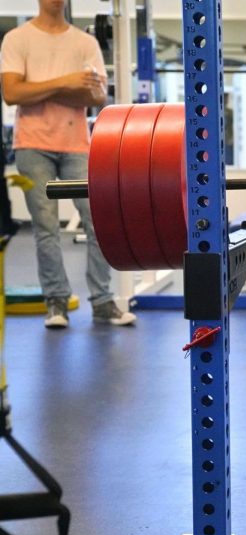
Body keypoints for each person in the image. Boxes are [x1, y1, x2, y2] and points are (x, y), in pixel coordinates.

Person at [0, 0, 136, 329]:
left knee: (98, 223)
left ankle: (103, 301)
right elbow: (11, 92)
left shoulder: (85, 43)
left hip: (77, 145)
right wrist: (67, 83)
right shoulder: (17, 39)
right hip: (32, 144)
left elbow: (96, 97)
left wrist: (40, 88)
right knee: (46, 229)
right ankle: (56, 303)